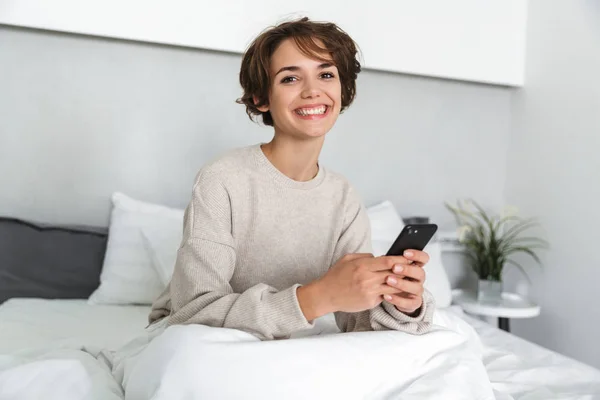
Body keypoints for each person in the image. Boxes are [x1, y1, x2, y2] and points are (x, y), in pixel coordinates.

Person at [148, 17, 434, 341]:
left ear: (343, 90)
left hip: (288, 349)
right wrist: (318, 297)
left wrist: (400, 302)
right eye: (290, 79)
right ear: (261, 98)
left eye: (326, 74)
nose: (313, 91)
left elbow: (355, 321)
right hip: (201, 340)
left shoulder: (343, 197)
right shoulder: (222, 179)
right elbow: (193, 312)